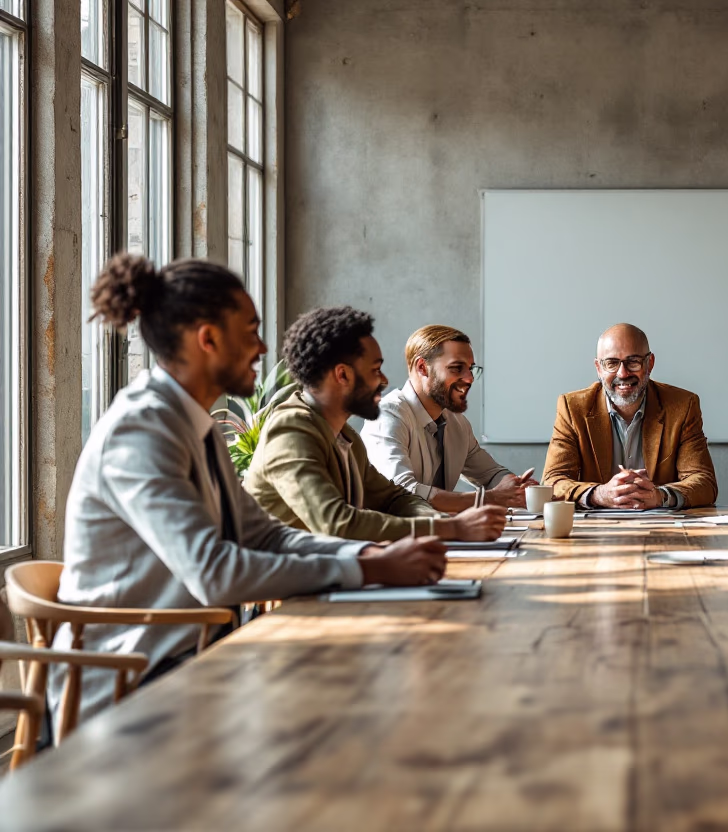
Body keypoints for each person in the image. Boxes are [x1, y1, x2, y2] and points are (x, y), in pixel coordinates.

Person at [56, 255, 448, 722]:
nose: (262, 348)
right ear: (208, 339)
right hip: (131, 691)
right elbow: (214, 572)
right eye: (251, 331)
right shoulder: (141, 430)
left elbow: (264, 534)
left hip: (196, 665)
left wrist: (366, 556)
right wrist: (365, 568)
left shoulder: (193, 424)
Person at [244, 308, 507, 542]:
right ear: (342, 374)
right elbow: (337, 523)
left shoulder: (345, 436)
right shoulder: (291, 430)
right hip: (280, 581)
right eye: (375, 369)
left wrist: (441, 522)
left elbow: (395, 498)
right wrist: (450, 528)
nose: (383, 380)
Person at [361, 325, 537, 511]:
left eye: (470, 368)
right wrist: (490, 498)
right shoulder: (387, 415)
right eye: (456, 368)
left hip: (439, 527)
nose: (469, 378)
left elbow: (490, 474)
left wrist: (516, 487)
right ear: (422, 368)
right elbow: (402, 493)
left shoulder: (457, 423)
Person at [542, 323, 717, 508]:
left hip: (659, 523)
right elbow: (551, 482)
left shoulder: (682, 406)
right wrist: (598, 494)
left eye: (633, 362)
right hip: (596, 523)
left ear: (650, 363)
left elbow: (704, 482)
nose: (623, 373)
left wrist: (660, 496)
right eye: (611, 363)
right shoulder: (573, 408)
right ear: (599, 368)